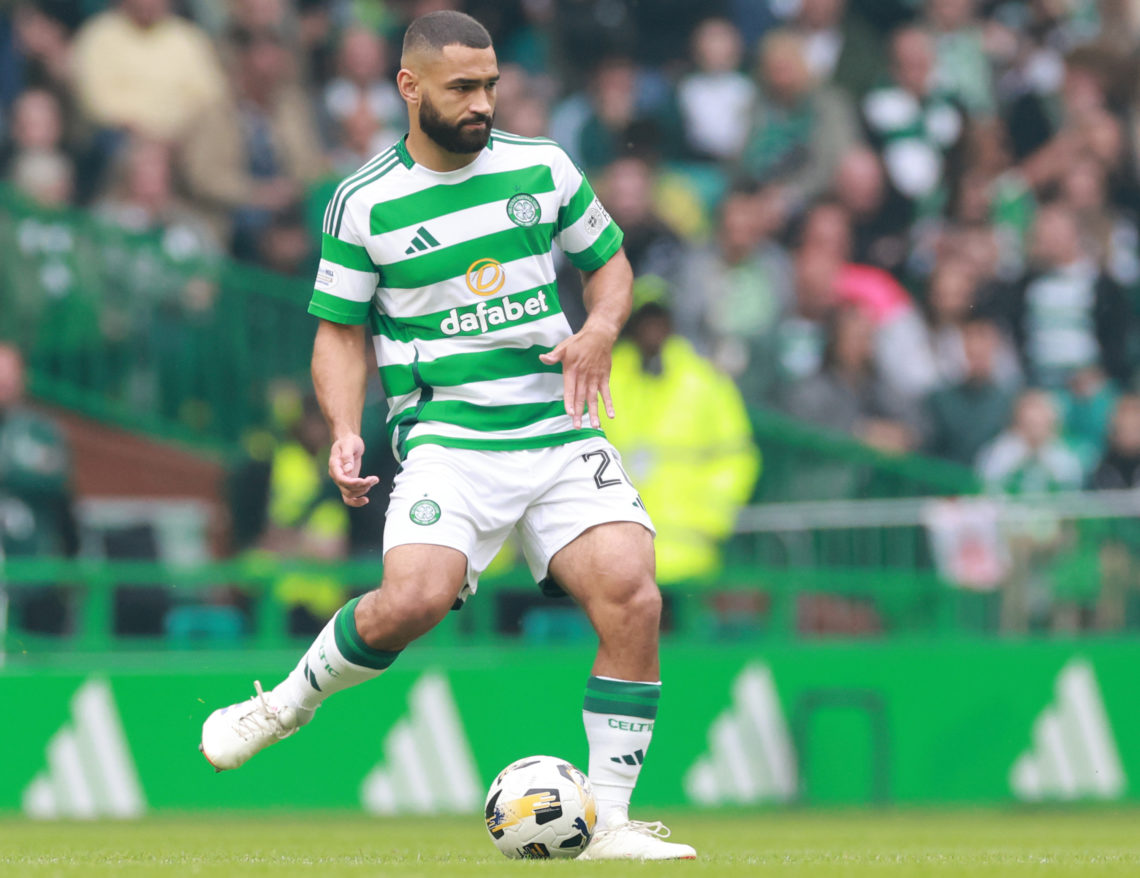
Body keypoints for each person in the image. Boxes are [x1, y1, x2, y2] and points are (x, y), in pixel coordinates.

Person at [199, 11, 696, 861]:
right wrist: (343, 429)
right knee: (413, 601)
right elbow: (339, 330)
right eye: (463, 87)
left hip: (558, 428)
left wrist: (603, 328)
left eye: (491, 85)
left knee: (632, 592)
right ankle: (283, 705)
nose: (482, 103)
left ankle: (609, 819)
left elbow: (608, 265)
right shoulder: (364, 203)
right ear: (410, 86)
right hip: (451, 442)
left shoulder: (542, 166)